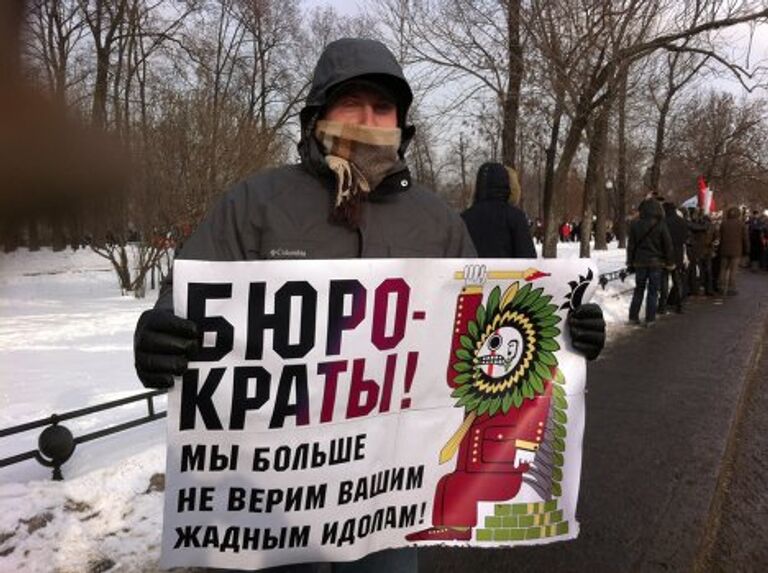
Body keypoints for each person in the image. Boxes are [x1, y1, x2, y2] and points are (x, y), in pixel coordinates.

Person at [132, 37, 605, 572]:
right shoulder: (256, 203)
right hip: (277, 496)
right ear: (317, 116)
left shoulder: (436, 222)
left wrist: (568, 334)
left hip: (387, 495)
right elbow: (191, 296)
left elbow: (488, 331)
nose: (368, 118)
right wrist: (160, 333)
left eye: (382, 107)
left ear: (401, 124)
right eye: (350, 102)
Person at [460, 162, 536, 259]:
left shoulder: (463, 219)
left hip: (473, 273)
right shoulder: (516, 218)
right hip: (507, 273)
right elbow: (528, 258)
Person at [627, 198, 674, 327]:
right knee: (653, 291)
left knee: (639, 289)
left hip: (640, 262)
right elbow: (668, 245)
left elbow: (631, 246)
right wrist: (670, 262)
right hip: (656, 263)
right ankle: (650, 318)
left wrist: (630, 263)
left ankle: (633, 316)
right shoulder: (661, 224)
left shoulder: (635, 224)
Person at [659, 201, 690, 314]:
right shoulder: (682, 222)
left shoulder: (663, 222)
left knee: (664, 282)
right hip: (678, 254)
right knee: (677, 281)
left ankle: (662, 306)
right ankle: (679, 305)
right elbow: (686, 238)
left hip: (665, 255)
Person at [718, 206, 749, 295]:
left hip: (724, 249)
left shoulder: (723, 223)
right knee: (733, 270)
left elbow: (720, 236)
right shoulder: (741, 224)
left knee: (723, 269)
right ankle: (731, 288)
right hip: (736, 250)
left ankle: (721, 287)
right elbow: (745, 238)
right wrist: (747, 250)